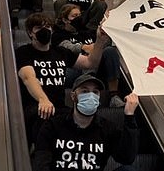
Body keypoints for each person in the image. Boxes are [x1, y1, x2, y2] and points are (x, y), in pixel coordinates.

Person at [15, 13, 110, 147]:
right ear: (30, 33)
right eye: (38, 27)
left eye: (47, 26)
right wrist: (43, 99)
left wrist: (100, 41)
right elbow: (28, 77)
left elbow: (90, 63)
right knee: (43, 119)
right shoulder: (23, 52)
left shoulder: (60, 52)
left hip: (59, 108)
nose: (45, 30)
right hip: (37, 107)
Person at [33, 74, 139, 171]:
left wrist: (129, 116)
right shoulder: (53, 125)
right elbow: (41, 163)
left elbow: (126, 158)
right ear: (73, 96)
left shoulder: (107, 128)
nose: (91, 96)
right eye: (85, 91)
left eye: (95, 92)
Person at [52, 4, 124, 107]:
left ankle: (114, 96)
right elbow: (67, 48)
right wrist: (85, 47)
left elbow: (104, 43)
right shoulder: (58, 34)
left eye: (79, 15)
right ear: (65, 19)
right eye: (74, 16)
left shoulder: (87, 32)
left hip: (95, 67)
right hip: (75, 69)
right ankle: (83, 95)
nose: (78, 18)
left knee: (110, 51)